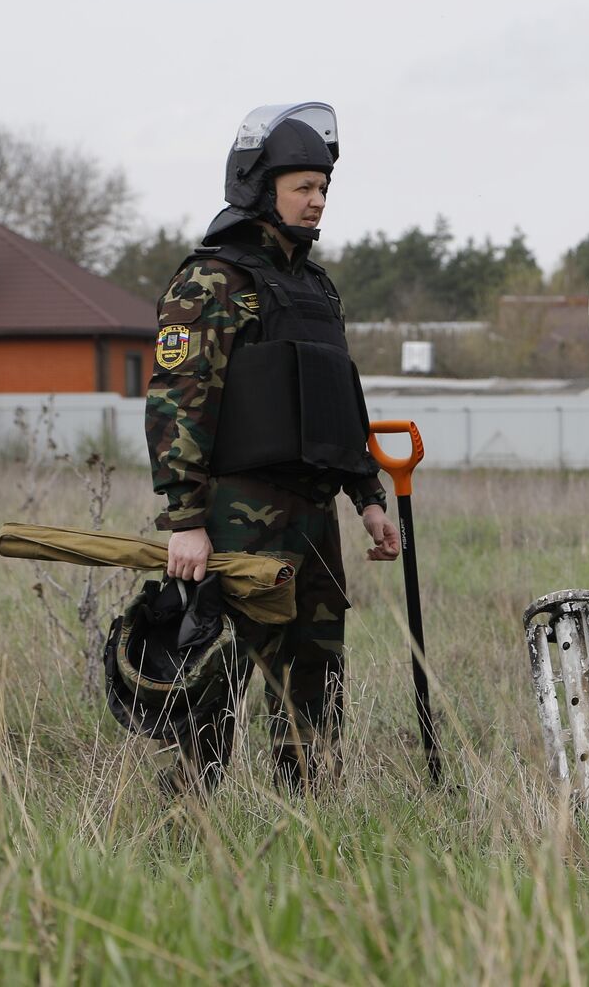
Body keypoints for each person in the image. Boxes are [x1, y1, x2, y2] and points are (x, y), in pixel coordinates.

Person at [144, 103, 398, 794]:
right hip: (234, 514)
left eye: (323, 189)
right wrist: (186, 521)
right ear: (259, 188)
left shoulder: (315, 288)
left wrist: (368, 497)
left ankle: (306, 817)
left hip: (313, 514)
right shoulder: (214, 281)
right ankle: (189, 821)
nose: (317, 202)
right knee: (214, 675)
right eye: (302, 188)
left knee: (315, 675)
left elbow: (340, 398)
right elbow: (177, 402)